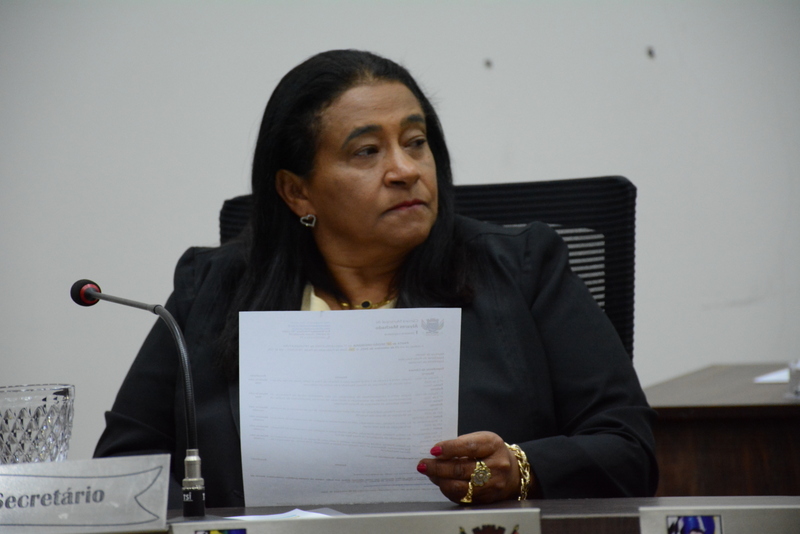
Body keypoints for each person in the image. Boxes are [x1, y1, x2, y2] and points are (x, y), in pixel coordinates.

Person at [94, 49, 658, 508]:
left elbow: (628, 449)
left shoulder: (523, 268)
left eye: (415, 142)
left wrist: (522, 469)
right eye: (367, 151)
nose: (406, 170)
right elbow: (124, 469)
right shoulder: (212, 290)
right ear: (297, 191)